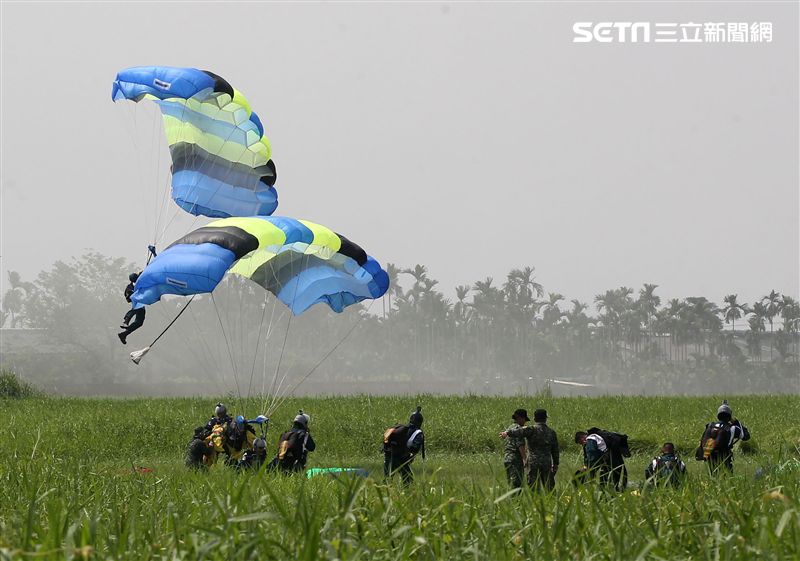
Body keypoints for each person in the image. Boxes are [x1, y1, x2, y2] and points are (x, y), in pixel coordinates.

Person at [501, 409, 559, 491]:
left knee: (533, 487)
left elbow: (519, 431)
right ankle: (552, 501)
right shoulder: (552, 432)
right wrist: (556, 464)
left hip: (533, 463)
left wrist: (507, 433)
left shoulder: (531, 429)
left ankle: (535, 501)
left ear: (535, 419)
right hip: (546, 462)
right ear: (545, 419)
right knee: (549, 486)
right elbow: (555, 450)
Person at [695, 400, 750, 474]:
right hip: (725, 458)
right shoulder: (732, 428)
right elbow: (746, 436)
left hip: (710, 457)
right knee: (728, 477)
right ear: (729, 416)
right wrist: (736, 421)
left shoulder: (710, 425)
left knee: (713, 476)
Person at [383, 406, 425, 485]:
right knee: (408, 480)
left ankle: (382, 495)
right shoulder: (418, 432)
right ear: (420, 422)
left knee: (387, 481)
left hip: (388, 455)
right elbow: (415, 448)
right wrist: (409, 457)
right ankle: (406, 495)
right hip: (401, 458)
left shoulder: (401, 428)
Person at [499, 409, 528, 489]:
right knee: (517, 483)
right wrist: (525, 459)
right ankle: (516, 499)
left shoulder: (509, 428)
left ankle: (511, 498)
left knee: (510, 481)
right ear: (521, 418)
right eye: (525, 420)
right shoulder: (518, 429)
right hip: (515, 459)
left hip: (507, 458)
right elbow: (520, 445)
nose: (525, 422)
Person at [118, 272, 145, 345]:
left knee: (139, 322)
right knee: (136, 309)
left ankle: (124, 334)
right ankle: (126, 321)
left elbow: (143, 273)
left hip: (142, 303)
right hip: (137, 302)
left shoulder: (140, 280)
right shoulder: (129, 287)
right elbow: (128, 297)